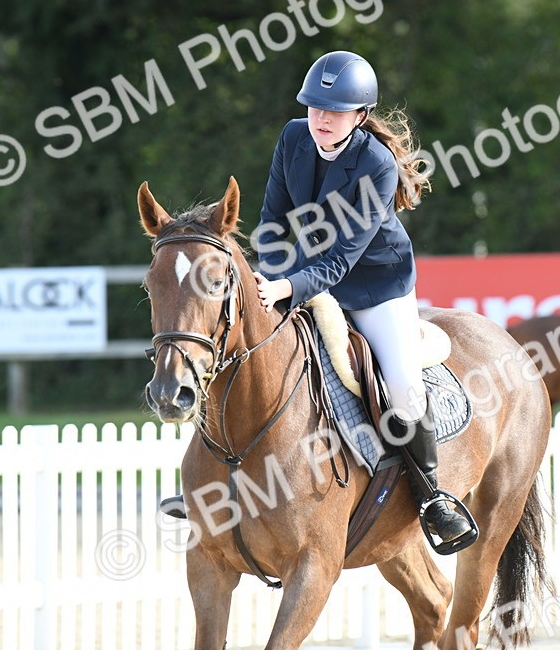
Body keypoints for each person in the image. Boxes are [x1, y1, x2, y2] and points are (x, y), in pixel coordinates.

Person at [168, 50, 473, 547]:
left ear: (360, 116)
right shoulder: (293, 137)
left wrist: (288, 288)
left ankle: (431, 496)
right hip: (298, 272)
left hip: (374, 285)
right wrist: (267, 277)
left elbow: (343, 259)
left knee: (401, 383)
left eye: (334, 111)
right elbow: (271, 220)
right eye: (315, 107)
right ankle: (211, 484)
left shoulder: (376, 165)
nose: (321, 119)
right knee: (235, 353)